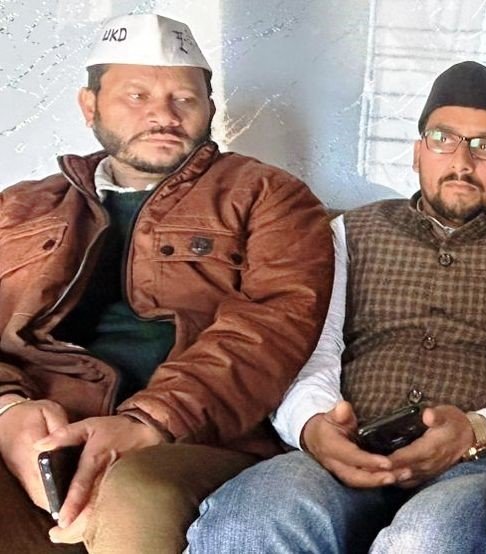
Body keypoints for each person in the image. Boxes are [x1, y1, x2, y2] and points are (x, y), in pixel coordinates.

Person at [186, 61, 486, 553]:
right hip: (347, 450)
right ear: (418, 153)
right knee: (250, 522)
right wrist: (314, 426)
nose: (462, 162)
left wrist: (475, 431)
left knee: (426, 540)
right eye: (443, 139)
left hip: (475, 463)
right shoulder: (349, 233)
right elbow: (311, 347)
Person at [0, 13, 333, 553]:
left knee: (136, 491)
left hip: (191, 438)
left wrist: (148, 423)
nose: (163, 115)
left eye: (184, 98)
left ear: (210, 109)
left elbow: (273, 327)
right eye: (136, 96)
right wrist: (7, 410)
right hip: (42, 432)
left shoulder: (268, 196)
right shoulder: (19, 207)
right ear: (89, 106)